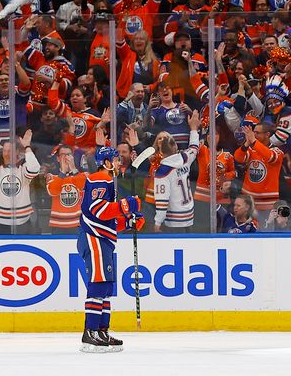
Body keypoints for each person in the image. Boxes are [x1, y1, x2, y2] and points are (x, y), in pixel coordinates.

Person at [78, 146, 144, 353]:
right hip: (94, 239)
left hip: (103, 238)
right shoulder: (100, 178)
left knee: (106, 288)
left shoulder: (108, 181)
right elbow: (99, 210)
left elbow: (108, 221)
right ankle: (90, 333)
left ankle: (101, 331)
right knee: (98, 285)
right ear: (106, 162)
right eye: (115, 159)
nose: (118, 162)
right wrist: (128, 205)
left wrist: (128, 222)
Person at [0, 130, 40, 234]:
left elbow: (34, 168)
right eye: (5, 150)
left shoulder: (23, 169)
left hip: (21, 221)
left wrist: (27, 147)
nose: (6, 154)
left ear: (17, 152)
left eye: (10, 151)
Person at [154, 110, 200, 233]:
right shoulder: (185, 158)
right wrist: (194, 128)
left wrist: (157, 223)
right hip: (190, 216)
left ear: (161, 153)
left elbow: (162, 202)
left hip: (173, 223)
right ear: (176, 148)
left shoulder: (162, 172)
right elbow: (194, 147)